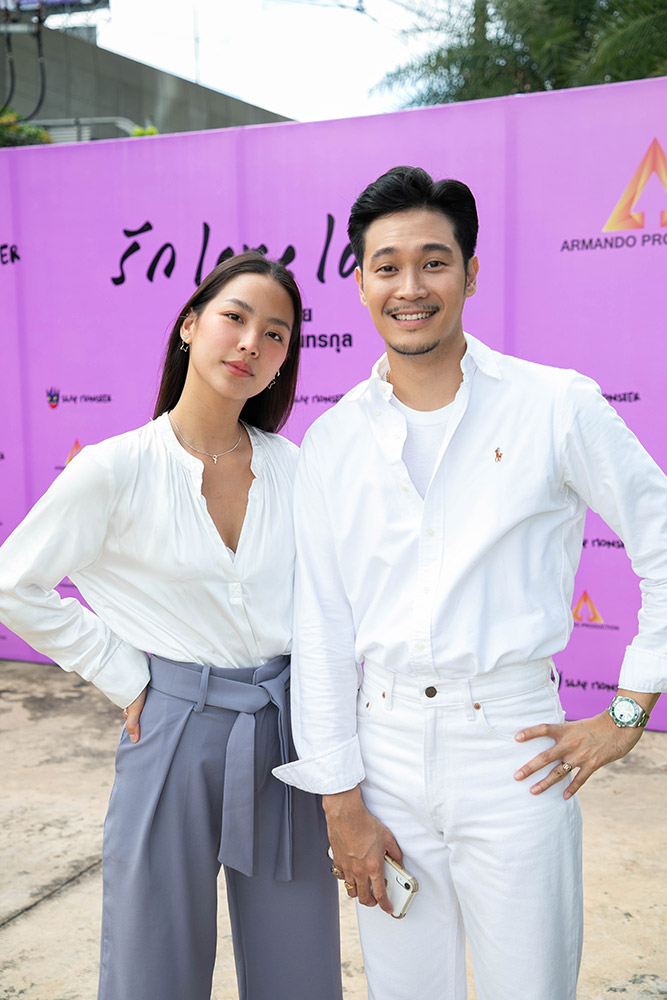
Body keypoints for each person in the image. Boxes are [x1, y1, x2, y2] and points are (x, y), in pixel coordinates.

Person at [274, 167, 667, 1000]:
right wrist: (339, 800)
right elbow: (321, 629)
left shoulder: (553, 405)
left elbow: (659, 537)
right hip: (381, 752)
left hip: (514, 752)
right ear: (360, 283)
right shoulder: (333, 440)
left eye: (434, 262)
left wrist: (629, 710)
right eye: (386, 267)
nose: (410, 288)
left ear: (471, 272)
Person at [0, 252, 343, 1000]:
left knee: (300, 965)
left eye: (276, 333)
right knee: (151, 963)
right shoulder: (115, 468)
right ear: (189, 326)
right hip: (171, 727)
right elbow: (13, 583)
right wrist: (124, 674)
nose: (252, 343)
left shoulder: (298, 469)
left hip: (286, 731)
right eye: (235, 318)